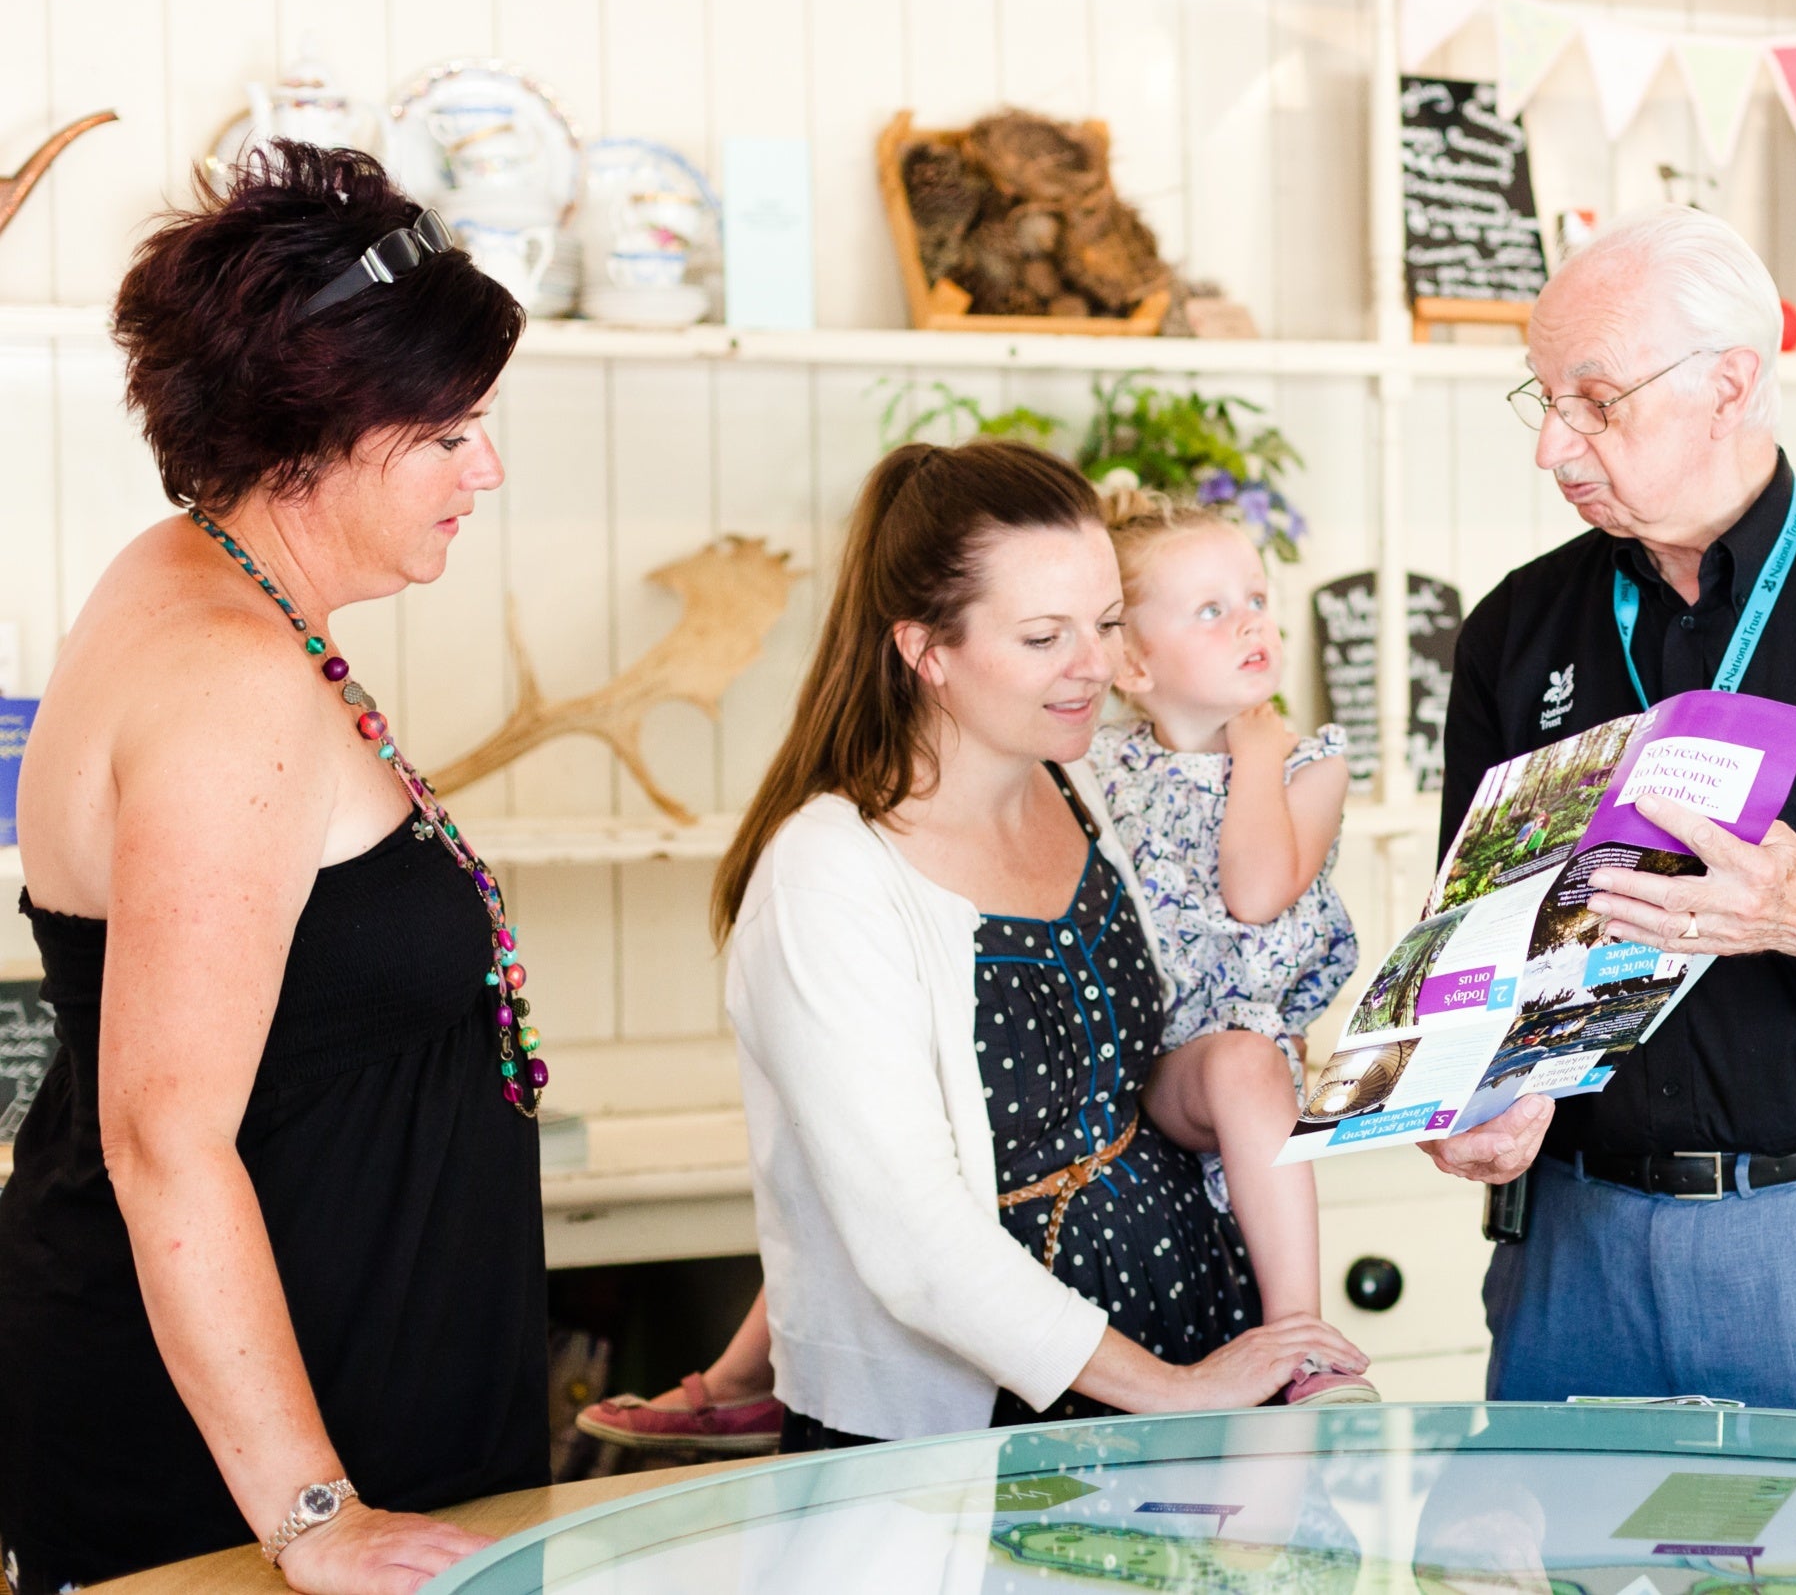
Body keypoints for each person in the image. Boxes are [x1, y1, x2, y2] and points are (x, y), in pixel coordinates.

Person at [0, 146, 543, 1593]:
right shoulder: (227, 677)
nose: (484, 469)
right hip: (246, 1474)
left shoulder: (190, 575)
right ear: (313, 433)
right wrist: (311, 1514)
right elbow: (163, 1139)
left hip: (335, 1400)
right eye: (448, 436)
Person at [581, 486, 1377, 1453]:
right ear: (928, 653)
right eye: (1046, 638)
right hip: (1002, 1398)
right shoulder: (830, 872)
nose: (1095, 666)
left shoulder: (1083, 783)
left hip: (1191, 1312)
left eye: (1108, 624)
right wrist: (1169, 1389)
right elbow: (912, 1236)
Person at [1423, 204, 1796, 1420]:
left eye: (1595, 402)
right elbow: (1469, 943)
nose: (1555, 449)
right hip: (1574, 1244)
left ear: (1730, 385)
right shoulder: (1512, 630)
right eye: (1544, 404)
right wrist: (1474, 1089)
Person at [1086, 488, 1371, 1403]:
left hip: (1218, 1060)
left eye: (1254, 598)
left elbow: (1255, 894)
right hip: (1130, 1056)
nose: (1251, 622)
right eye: (1212, 612)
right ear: (1132, 659)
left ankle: (1302, 1341)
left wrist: (1253, 752)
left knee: (1250, 1065)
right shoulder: (1098, 766)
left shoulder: (1308, 766)